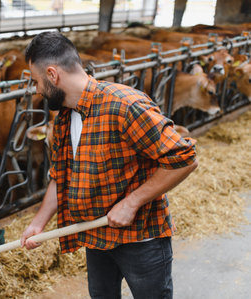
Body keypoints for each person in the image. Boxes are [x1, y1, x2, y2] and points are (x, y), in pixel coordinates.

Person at [20, 31, 198, 299]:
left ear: (53, 75)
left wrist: (132, 202)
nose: (37, 90)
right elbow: (60, 176)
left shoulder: (124, 105)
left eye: (36, 81)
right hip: (95, 234)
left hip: (141, 239)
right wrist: (39, 222)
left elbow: (185, 158)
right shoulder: (64, 117)